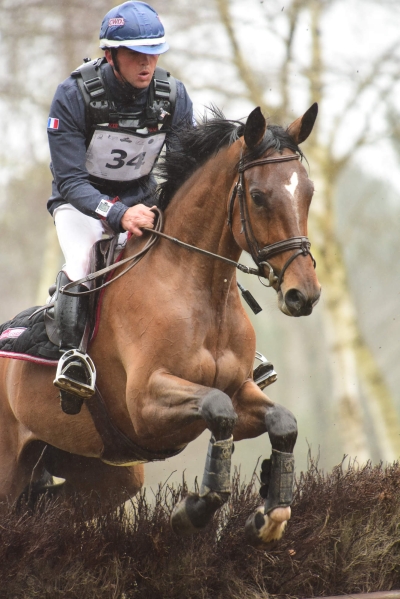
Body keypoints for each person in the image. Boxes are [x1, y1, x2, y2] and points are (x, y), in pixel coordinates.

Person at [47, 1, 194, 405]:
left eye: (154, 52)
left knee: (193, 252)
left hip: (143, 200)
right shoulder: (73, 95)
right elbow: (69, 180)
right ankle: (72, 359)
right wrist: (117, 212)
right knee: (81, 265)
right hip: (81, 205)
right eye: (135, 54)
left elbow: (185, 169)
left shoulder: (174, 96)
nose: (147, 63)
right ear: (110, 55)